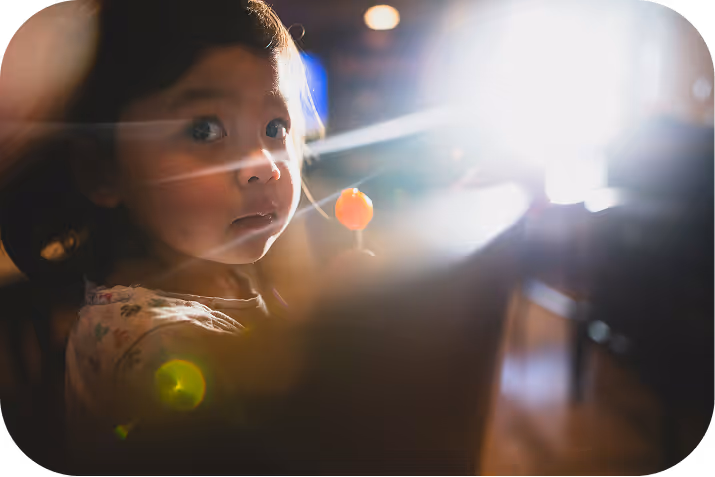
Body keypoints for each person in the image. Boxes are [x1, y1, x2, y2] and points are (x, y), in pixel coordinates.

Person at [0, 0, 522, 474]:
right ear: (102, 171)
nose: (265, 167)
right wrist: (349, 335)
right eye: (205, 129)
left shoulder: (216, 277)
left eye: (275, 128)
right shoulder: (148, 343)